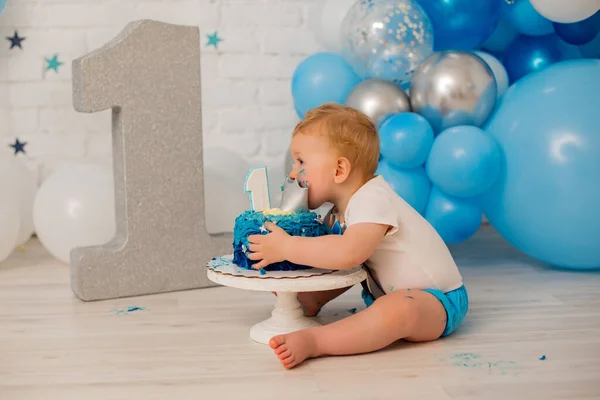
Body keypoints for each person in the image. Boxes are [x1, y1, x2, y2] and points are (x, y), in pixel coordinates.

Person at [247, 103, 468, 369]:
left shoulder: (372, 199)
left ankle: (317, 341)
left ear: (340, 170)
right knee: (338, 259)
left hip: (437, 302)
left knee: (396, 307)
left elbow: (349, 253)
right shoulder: (339, 211)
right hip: (391, 295)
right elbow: (330, 256)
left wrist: (287, 246)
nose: (293, 173)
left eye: (301, 162)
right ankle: (310, 300)